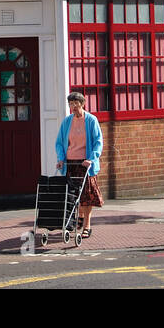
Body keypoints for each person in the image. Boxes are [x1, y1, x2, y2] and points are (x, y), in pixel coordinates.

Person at [55, 92, 104, 236]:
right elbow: (59, 142)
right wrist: (61, 159)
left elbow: (98, 142)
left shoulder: (91, 120)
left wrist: (92, 158)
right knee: (72, 195)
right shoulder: (67, 122)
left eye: (76, 104)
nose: (73, 107)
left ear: (82, 104)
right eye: (71, 104)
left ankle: (87, 226)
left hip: (86, 164)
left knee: (86, 195)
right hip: (70, 163)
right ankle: (79, 217)